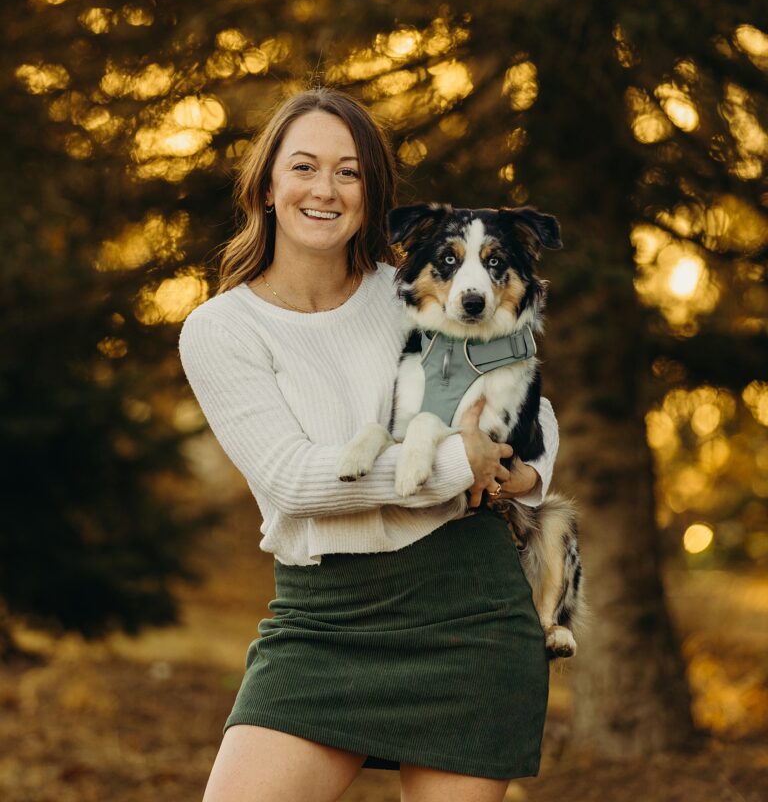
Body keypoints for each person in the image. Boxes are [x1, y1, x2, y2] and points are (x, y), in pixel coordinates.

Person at [178, 87, 560, 802]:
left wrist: (518, 475)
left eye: (349, 172)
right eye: (304, 167)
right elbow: (291, 478)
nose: (325, 188)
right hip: (324, 617)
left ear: (370, 192)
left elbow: (529, 398)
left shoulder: (419, 290)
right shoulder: (221, 329)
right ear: (266, 188)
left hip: (465, 611)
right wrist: (454, 461)